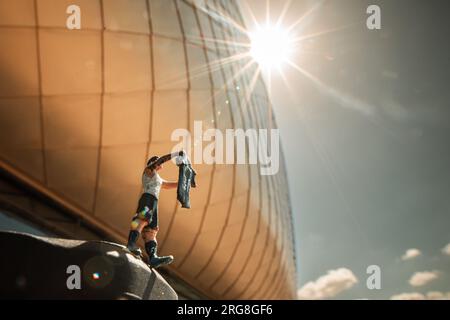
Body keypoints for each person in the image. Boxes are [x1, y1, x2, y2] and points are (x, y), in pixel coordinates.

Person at [126, 150, 184, 268]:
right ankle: (131, 244)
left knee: (151, 230)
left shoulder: (158, 178)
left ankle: (153, 257)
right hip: (147, 198)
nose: (159, 163)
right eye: (157, 161)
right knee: (142, 220)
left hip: (153, 201)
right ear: (153, 163)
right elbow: (161, 160)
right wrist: (175, 155)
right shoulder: (149, 171)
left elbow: (168, 185)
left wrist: (185, 182)